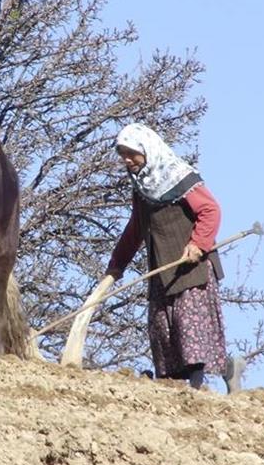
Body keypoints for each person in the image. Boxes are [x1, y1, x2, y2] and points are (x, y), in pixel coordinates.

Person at [104, 123, 245, 393]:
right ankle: (225, 370)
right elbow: (136, 228)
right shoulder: (142, 186)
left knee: (189, 331)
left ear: (147, 150)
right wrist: (116, 265)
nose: (127, 160)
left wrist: (198, 244)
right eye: (122, 154)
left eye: (131, 153)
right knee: (165, 336)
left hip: (191, 267)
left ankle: (195, 389)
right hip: (162, 269)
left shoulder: (180, 177)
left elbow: (210, 210)